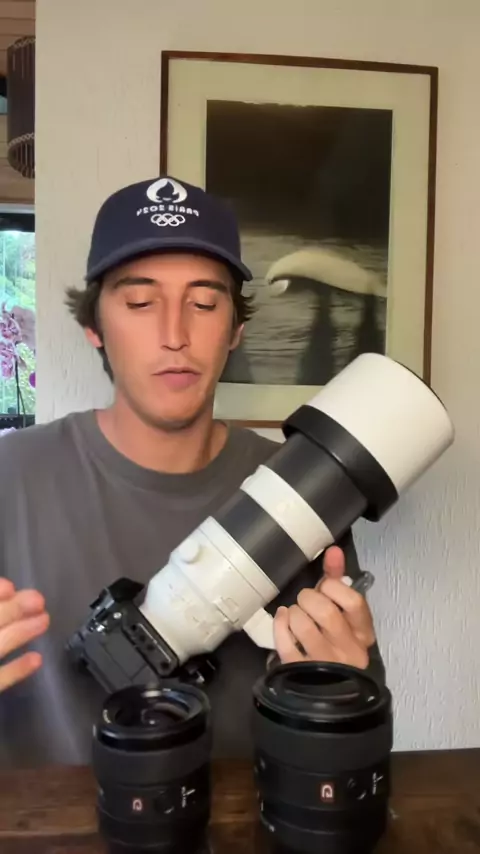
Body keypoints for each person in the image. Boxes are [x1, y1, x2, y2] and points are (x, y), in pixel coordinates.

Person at [0, 176, 385, 768]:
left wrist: (345, 696)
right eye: (139, 303)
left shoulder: (302, 486)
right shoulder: (12, 476)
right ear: (94, 327)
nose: (175, 335)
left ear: (235, 331)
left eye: (204, 304)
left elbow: (358, 758)